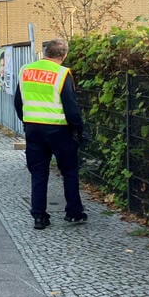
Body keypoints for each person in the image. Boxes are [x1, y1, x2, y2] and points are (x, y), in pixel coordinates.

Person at [13, 38, 87, 230]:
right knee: (69, 171)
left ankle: (39, 216)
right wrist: (78, 128)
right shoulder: (62, 74)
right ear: (63, 55)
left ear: (45, 53)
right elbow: (71, 107)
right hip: (59, 130)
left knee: (38, 173)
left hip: (33, 128)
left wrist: (27, 120)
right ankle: (73, 213)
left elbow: (18, 102)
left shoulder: (25, 70)